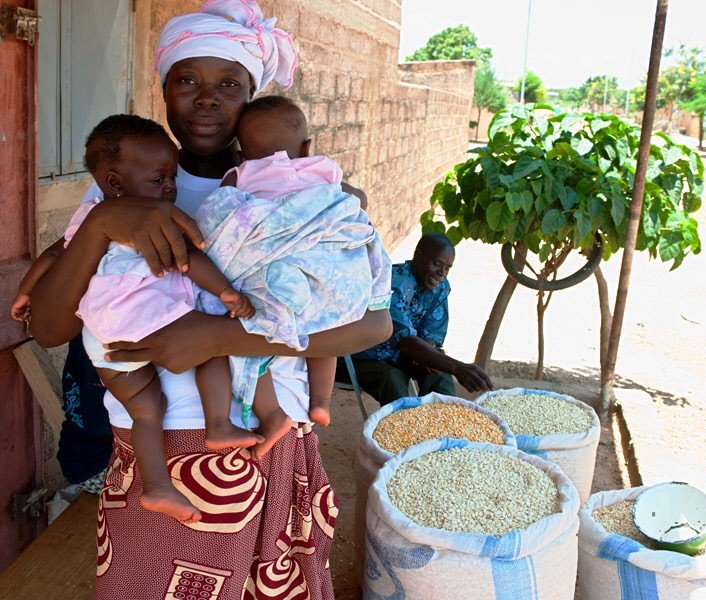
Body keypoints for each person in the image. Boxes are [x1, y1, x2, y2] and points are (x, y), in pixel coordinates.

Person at [28, 2, 390, 598]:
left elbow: (373, 324)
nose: (206, 99)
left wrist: (219, 336)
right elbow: (48, 328)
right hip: (152, 440)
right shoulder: (120, 190)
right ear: (163, 89)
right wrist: (100, 226)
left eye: (229, 84)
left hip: (265, 432)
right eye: (187, 80)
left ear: (253, 95)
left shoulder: (306, 198)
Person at [14, 113, 264, 523]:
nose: (169, 188)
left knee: (146, 410)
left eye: (172, 178)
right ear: (115, 182)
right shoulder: (156, 219)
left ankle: (158, 486)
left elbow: (55, 254)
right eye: (159, 179)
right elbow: (189, 260)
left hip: (102, 339)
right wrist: (226, 292)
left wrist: (27, 291)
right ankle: (219, 423)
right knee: (211, 346)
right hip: (146, 318)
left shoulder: (89, 215)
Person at [196, 95, 391, 456]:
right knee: (327, 326)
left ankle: (271, 413)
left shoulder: (239, 175)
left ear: (240, 155)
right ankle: (321, 401)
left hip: (271, 275)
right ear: (306, 148)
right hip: (320, 268)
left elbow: (219, 215)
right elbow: (353, 199)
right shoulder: (322, 169)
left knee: (250, 339)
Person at [342, 232, 493, 405]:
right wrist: (457, 367)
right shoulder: (393, 282)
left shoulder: (440, 287)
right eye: (437, 263)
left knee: (440, 374)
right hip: (363, 358)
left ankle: (443, 423)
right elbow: (405, 341)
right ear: (418, 255)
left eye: (447, 268)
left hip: (404, 356)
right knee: (392, 379)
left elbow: (431, 336)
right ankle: (405, 424)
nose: (442, 273)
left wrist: (429, 355)